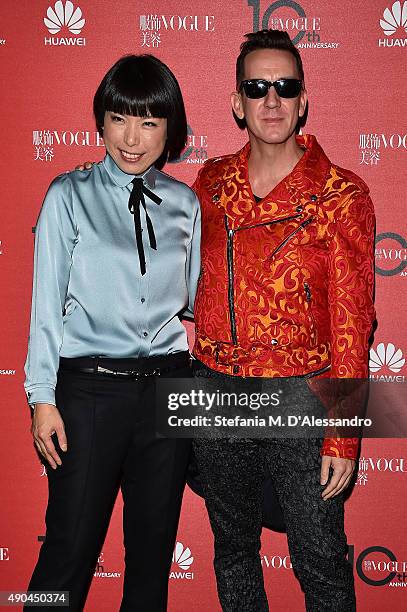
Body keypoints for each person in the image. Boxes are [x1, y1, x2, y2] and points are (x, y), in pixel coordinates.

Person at [191, 30, 375, 611]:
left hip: (303, 395)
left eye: (285, 87)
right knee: (233, 549)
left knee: (319, 555)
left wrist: (343, 435)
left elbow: (352, 324)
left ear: (303, 100)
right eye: (257, 86)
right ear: (236, 102)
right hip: (216, 391)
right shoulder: (210, 183)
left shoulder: (342, 194)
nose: (272, 100)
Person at [24, 54, 200, 611]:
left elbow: (196, 302)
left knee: (151, 560)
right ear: (100, 120)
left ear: (170, 131)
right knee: (68, 550)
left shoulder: (185, 204)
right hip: (90, 392)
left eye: (150, 122)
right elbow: (46, 306)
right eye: (120, 118)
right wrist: (41, 398)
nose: (132, 137)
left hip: (169, 393)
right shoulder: (67, 196)